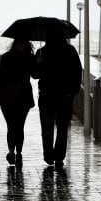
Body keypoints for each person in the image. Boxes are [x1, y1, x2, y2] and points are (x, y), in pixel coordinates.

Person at [31, 29, 82, 168]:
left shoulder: (43, 52)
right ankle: (58, 156)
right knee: (62, 128)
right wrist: (72, 91)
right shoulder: (69, 51)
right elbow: (78, 72)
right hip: (63, 96)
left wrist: (38, 63)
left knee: (48, 127)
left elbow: (35, 74)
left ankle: (49, 156)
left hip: (49, 95)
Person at [0, 38, 35, 167]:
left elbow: (35, 74)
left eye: (23, 43)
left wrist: (37, 62)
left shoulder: (28, 58)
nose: (21, 45)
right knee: (12, 125)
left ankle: (18, 152)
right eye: (19, 43)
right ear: (15, 44)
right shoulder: (9, 57)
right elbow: (0, 78)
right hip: (8, 97)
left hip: (20, 98)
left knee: (19, 126)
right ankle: (13, 151)